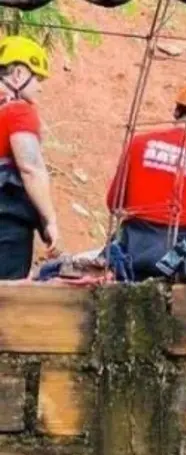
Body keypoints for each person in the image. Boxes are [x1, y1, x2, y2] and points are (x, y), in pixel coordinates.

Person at [106, 84, 186, 280]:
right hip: (181, 257)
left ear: (177, 111)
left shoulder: (139, 144)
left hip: (135, 251)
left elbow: (114, 203)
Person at [0, 35, 60, 279]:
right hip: (6, 224)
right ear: (18, 74)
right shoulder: (18, 111)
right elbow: (31, 169)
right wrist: (50, 221)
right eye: (37, 77)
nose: (40, 86)